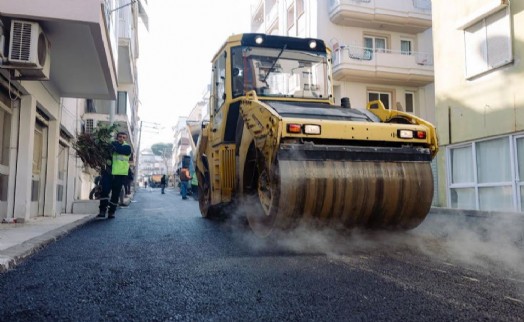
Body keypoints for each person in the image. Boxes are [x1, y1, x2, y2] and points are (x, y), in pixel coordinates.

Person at [98, 131, 132, 219]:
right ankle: (102, 211)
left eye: (124, 137)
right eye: (120, 137)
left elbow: (120, 150)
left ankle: (111, 212)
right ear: (117, 137)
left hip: (119, 175)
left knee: (115, 194)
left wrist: (113, 146)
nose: (121, 139)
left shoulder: (127, 147)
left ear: (126, 139)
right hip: (108, 173)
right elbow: (105, 152)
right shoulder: (111, 145)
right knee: (104, 191)